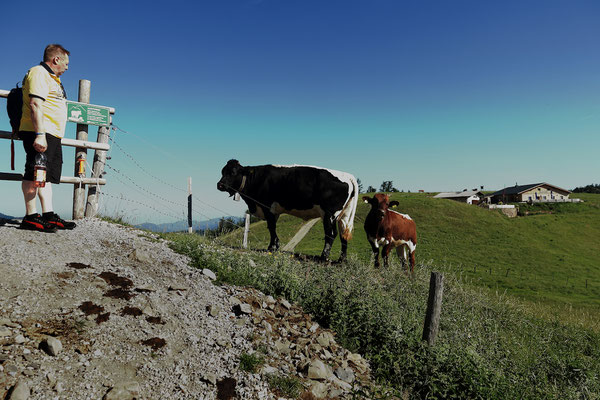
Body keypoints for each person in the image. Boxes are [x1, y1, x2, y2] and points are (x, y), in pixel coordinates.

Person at [19, 44, 76, 232]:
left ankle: (48, 214)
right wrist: (40, 135)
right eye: (66, 63)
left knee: (46, 174)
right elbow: (35, 104)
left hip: (52, 133)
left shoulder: (53, 78)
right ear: (56, 59)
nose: (67, 67)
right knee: (33, 171)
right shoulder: (38, 73)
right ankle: (30, 216)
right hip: (40, 131)